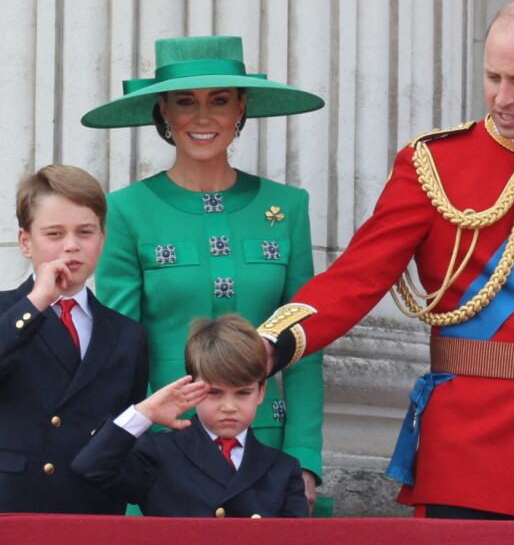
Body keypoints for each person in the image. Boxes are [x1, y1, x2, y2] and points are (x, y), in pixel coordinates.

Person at [259, 0, 514, 520]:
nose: (501, 98)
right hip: (467, 454)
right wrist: (272, 342)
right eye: (492, 77)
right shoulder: (436, 163)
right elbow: (357, 277)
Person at [81, 36, 328, 515]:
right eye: (185, 102)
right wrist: (127, 443)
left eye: (219, 101)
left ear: (241, 108)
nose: (202, 118)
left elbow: (304, 343)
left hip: (265, 448)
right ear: (163, 111)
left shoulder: (289, 207)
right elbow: (118, 354)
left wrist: (304, 457)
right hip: (163, 448)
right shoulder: (127, 211)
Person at [0, 165, 148, 514]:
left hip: (90, 508)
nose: (71, 246)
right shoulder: (8, 311)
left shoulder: (127, 333)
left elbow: (127, 430)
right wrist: (37, 302)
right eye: (54, 234)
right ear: (25, 241)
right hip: (11, 505)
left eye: (85, 232)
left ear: (102, 240)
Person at [72, 314, 308, 518]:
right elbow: (91, 467)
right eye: (214, 392)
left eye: (242, 393)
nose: (229, 406)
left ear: (261, 391)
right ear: (190, 387)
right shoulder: (160, 453)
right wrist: (144, 413)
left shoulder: (282, 469)